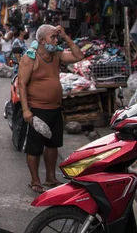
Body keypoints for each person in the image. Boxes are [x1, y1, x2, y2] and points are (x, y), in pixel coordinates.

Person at [17, 25, 84, 194]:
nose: (56, 40)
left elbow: (79, 55)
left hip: (54, 108)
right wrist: (26, 110)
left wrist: (66, 37)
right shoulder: (30, 58)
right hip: (36, 109)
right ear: (41, 41)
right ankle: (35, 180)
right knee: (34, 148)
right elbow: (21, 84)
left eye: (56, 37)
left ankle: (50, 177)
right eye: (53, 37)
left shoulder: (56, 54)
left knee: (53, 146)